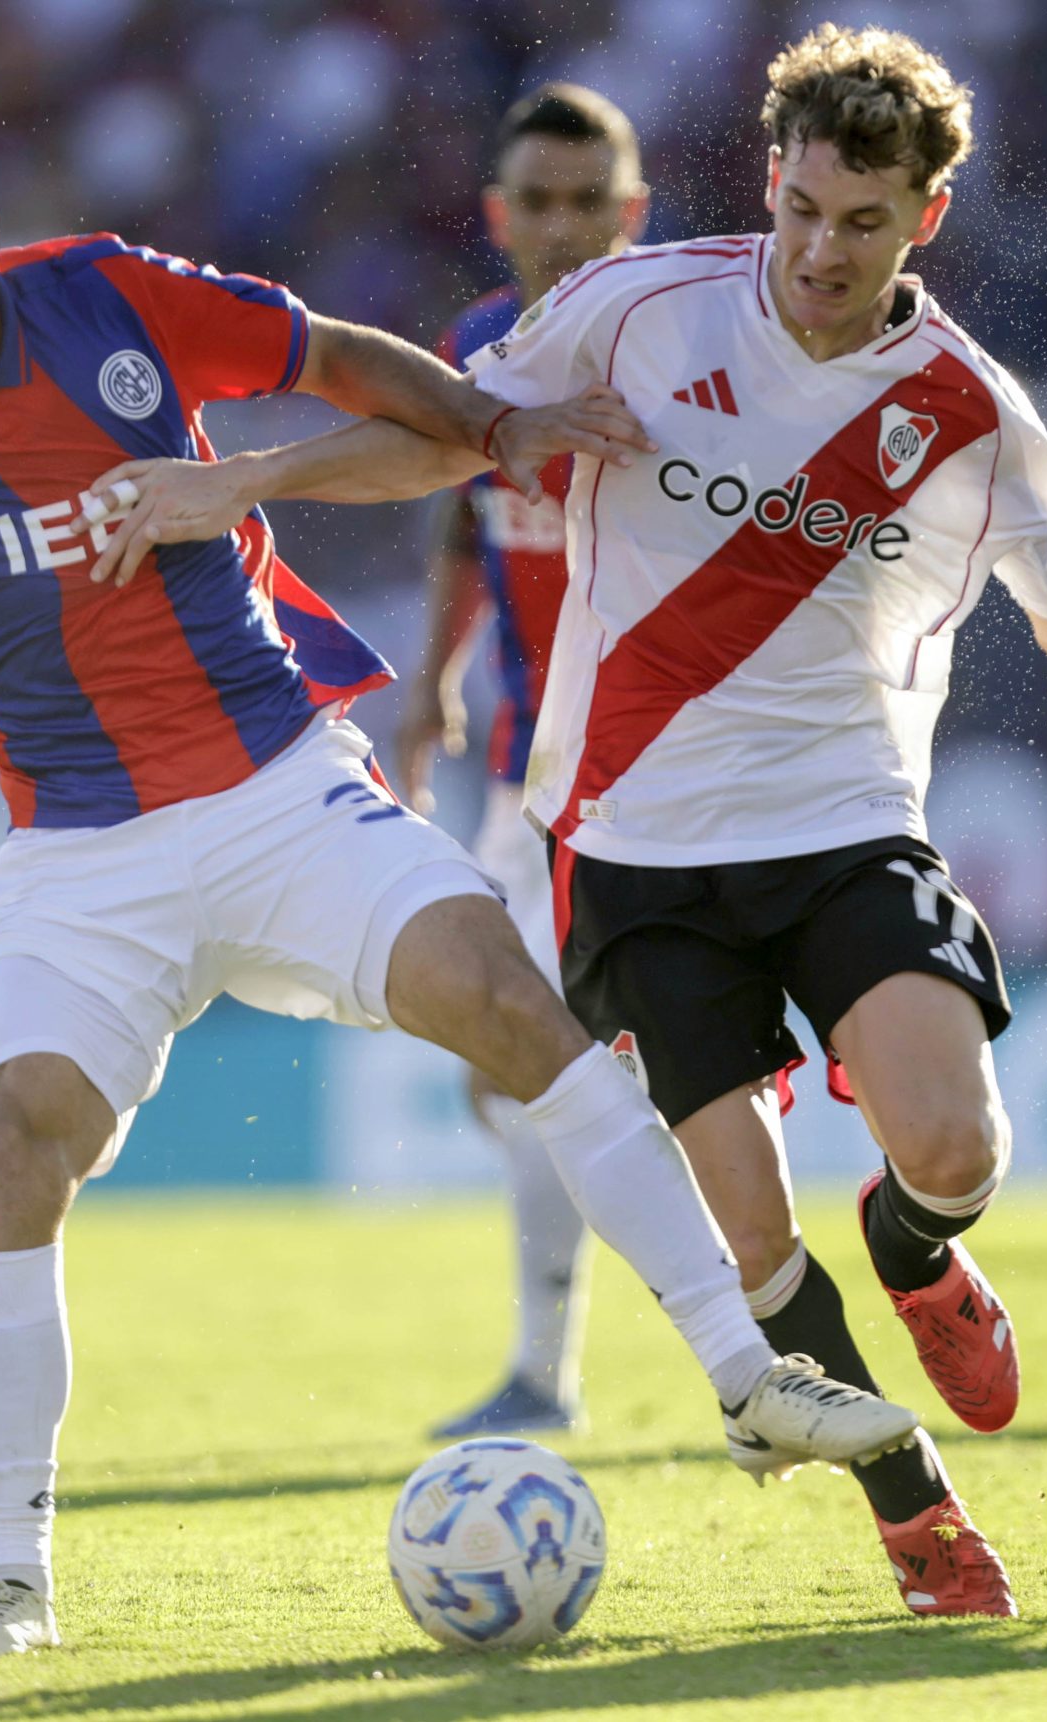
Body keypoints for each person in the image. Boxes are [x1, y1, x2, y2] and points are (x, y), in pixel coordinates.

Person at [83, 23, 1047, 1619]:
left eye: (861, 223)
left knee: (953, 1140)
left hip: (849, 825)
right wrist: (239, 484)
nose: (818, 250)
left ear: (925, 216)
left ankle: (921, 1251)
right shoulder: (639, 308)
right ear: (768, 184)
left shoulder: (966, 409)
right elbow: (449, 437)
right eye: (799, 210)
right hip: (632, 849)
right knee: (750, 1239)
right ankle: (912, 1504)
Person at [0, 94, 921, 1661]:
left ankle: (748, 1377)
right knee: (16, 1143)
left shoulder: (108, 298)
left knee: (507, 994)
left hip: (284, 787)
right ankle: (11, 1580)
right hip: (82, 855)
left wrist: (493, 430)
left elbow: (351, 368)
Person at [402, 84, 650, 1442]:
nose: (561, 228)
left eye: (586, 203)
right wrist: (432, 677)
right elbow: (462, 523)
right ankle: (551, 1363)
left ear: (633, 213)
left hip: (666, 775)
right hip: (521, 771)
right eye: (536, 204)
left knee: (563, 1070)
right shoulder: (476, 351)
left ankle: (574, 1368)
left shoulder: (682, 353)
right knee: (505, 1073)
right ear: (501, 217)